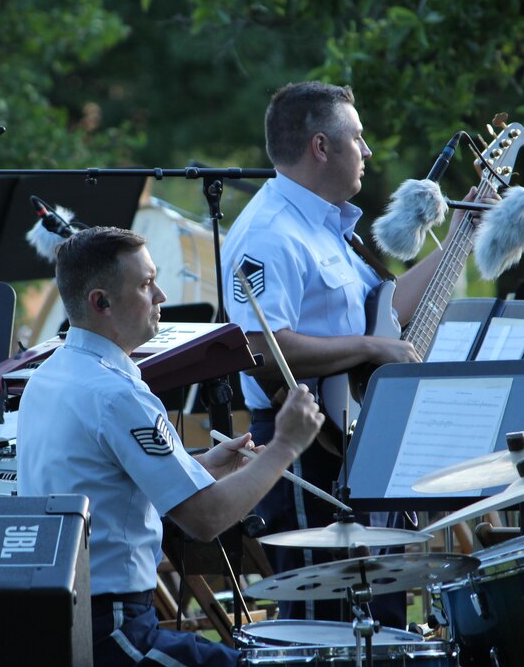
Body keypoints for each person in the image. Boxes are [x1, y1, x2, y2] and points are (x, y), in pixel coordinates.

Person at [221, 81, 493, 627]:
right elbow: (260, 350)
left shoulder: (327, 224)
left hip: (354, 435)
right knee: (328, 624)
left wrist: (465, 225)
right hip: (305, 444)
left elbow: (388, 310)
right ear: (322, 146)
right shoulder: (270, 232)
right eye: (358, 138)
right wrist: (370, 347)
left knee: (380, 616)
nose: (367, 152)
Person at [17, 226, 324, 667]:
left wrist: (200, 466)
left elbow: (105, 480)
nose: (160, 295)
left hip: (63, 615)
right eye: (145, 284)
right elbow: (206, 519)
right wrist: (287, 444)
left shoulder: (49, 374)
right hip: (114, 628)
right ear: (100, 302)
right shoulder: (116, 393)